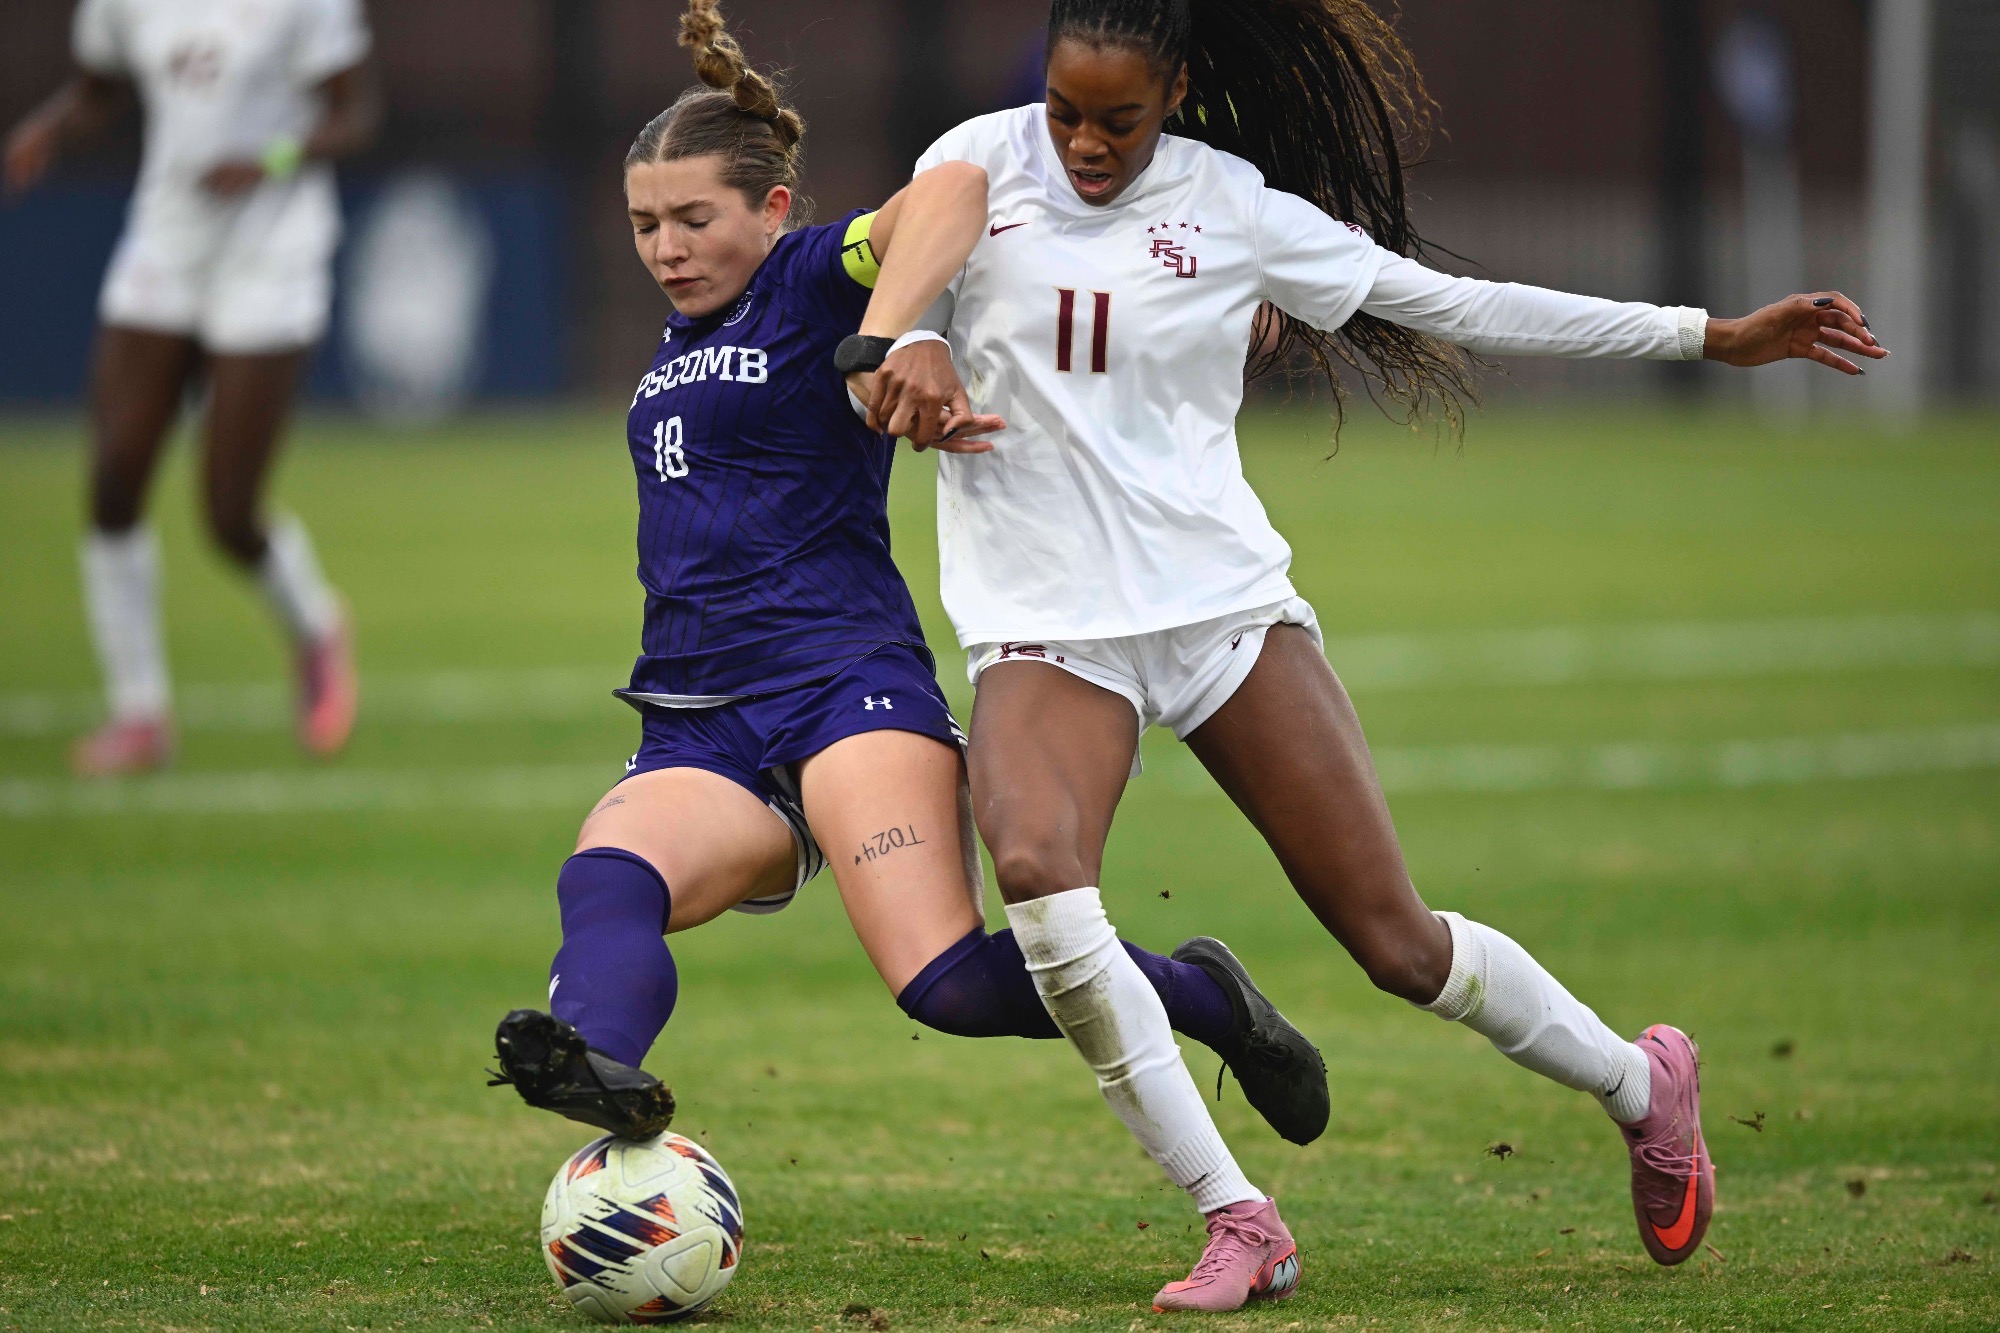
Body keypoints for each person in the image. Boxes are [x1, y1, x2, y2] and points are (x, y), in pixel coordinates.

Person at [848, 0, 1889, 1312]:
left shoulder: (1234, 206)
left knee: (1399, 947)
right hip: (1049, 629)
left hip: (1221, 611)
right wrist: (904, 368)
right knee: (1047, 892)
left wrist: (1708, 336)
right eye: (1066, 110)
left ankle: (1642, 1085)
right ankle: (1240, 1219)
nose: (1085, 143)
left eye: (1118, 118)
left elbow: (1462, 302)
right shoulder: (974, 164)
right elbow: (880, 334)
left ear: (1175, 90)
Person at [486, 1, 1328, 1181]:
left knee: (946, 982)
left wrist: (884, 336)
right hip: (698, 714)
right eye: (642, 225)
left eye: (691, 218)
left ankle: (1203, 996)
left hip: (844, 691)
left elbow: (956, 196)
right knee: (609, 875)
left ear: (771, 210)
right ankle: (606, 1072)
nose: (665, 247)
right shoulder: (675, 347)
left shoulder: (806, 278)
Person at [2, 0, 378, 777]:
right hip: (166, 243)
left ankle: (315, 625)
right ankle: (140, 713)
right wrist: (50, 126)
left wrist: (271, 158)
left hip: (271, 253)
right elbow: (98, 90)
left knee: (229, 513)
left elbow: (357, 114)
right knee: (113, 478)